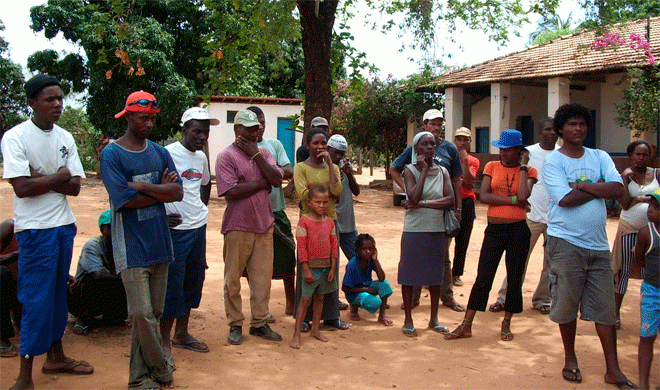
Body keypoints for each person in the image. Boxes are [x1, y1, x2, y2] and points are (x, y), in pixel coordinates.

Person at [1, 74, 92, 389]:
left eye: (60, 98)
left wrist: (46, 177)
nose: (57, 104)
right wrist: (60, 176)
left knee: (56, 296)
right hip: (35, 231)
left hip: (63, 227)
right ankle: (25, 376)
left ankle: (56, 357)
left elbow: (76, 187)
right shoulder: (15, 138)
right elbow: (23, 188)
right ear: (32, 102)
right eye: (49, 99)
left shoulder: (65, 137)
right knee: (35, 298)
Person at [543, 103, 635, 388]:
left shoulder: (600, 156)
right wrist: (598, 186)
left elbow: (619, 189)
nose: (578, 128)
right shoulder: (553, 162)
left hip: (598, 245)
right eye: (571, 124)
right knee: (567, 305)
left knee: (606, 310)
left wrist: (581, 186)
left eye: (582, 123)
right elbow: (565, 201)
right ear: (560, 128)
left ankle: (613, 369)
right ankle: (570, 358)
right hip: (565, 242)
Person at [101, 90, 183, 389]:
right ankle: (161, 369)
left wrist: (139, 186)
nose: (148, 124)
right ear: (128, 116)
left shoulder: (160, 152)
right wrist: (159, 190)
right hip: (131, 246)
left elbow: (178, 193)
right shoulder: (112, 154)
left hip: (160, 243)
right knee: (140, 313)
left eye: (151, 119)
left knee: (154, 313)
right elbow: (123, 201)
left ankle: (138, 378)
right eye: (142, 118)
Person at [445, 129, 537, 341]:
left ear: (519, 150)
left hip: (518, 230)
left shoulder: (530, 171)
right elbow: (484, 195)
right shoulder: (491, 166)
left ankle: (506, 323)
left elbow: (524, 194)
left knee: (515, 278)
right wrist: (514, 201)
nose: (503, 153)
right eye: (501, 149)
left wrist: (523, 167)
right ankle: (466, 324)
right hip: (494, 230)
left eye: (508, 149)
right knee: (483, 277)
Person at [215, 109, 284, 346]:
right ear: (237, 130)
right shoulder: (226, 157)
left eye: (256, 128)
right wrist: (261, 183)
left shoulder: (264, 152)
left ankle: (259, 323)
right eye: (249, 128)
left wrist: (256, 156)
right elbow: (231, 191)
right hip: (237, 226)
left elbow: (277, 180)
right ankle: (235, 324)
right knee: (232, 279)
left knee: (262, 279)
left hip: (264, 225)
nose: (254, 132)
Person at [390, 109, 464, 312]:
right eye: (433, 124)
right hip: (417, 221)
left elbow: (456, 180)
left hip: (441, 216)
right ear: (424, 125)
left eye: (440, 124)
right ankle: (413, 299)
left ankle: (447, 297)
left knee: (443, 258)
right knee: (414, 260)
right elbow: (395, 169)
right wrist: (408, 191)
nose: (437, 128)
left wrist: (457, 207)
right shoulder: (413, 151)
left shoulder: (450, 150)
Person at [160, 107, 216, 358]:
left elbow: (205, 184)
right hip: (176, 231)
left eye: (205, 132)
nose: (202, 136)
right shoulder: (166, 154)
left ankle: (181, 334)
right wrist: (162, 216)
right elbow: (154, 188)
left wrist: (200, 209)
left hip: (198, 228)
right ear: (184, 130)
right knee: (172, 285)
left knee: (194, 282)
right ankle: (163, 341)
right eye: (197, 131)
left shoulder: (201, 157)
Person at [489, 118, 558, 314]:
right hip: (531, 216)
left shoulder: (562, 154)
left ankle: (543, 299)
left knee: (551, 263)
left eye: (554, 130)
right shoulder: (527, 153)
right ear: (540, 131)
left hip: (555, 218)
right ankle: (505, 298)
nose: (551, 133)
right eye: (547, 129)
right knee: (518, 260)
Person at [398, 131, 455, 337]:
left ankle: (434, 319)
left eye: (432, 144)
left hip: (436, 230)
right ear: (417, 149)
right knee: (409, 275)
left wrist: (424, 204)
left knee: (435, 277)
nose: (430, 147)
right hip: (414, 230)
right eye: (424, 144)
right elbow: (412, 197)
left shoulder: (443, 172)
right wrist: (423, 171)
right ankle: (408, 320)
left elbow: (450, 200)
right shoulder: (410, 170)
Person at [293, 128, 348, 330]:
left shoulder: (331, 167)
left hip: (330, 223)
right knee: (307, 265)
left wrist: (332, 168)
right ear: (307, 145)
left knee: (329, 268)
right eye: (315, 143)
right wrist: (326, 197)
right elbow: (303, 194)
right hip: (308, 224)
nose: (320, 147)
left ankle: (331, 316)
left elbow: (338, 192)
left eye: (323, 143)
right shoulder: (300, 167)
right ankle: (304, 319)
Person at [245, 106, 296, 318]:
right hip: (251, 213)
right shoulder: (239, 149)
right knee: (252, 264)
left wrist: (271, 173)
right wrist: (273, 175)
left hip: (276, 210)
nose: (260, 127)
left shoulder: (274, 145)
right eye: (256, 123)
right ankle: (261, 307)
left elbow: (289, 171)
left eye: (263, 122)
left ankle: (291, 302)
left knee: (287, 256)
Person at [612, 140, 658, 329]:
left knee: (654, 271)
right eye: (638, 154)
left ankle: (654, 314)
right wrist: (624, 178)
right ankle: (615, 314)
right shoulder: (625, 176)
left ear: (650, 156)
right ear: (630, 155)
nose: (641, 158)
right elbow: (624, 203)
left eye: (645, 154)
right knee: (624, 271)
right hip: (630, 228)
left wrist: (637, 199)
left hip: (654, 232)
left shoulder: (657, 174)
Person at [290, 184, 339, 349]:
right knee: (305, 299)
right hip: (310, 269)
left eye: (325, 202)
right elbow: (301, 248)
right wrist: (305, 269)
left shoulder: (330, 223)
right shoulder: (304, 222)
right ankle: (296, 334)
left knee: (320, 298)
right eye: (318, 202)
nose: (322, 205)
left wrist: (333, 268)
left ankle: (316, 330)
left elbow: (334, 247)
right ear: (309, 202)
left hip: (326, 269)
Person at [67, 210, 127, 335]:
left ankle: (113, 316)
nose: (114, 232)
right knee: (92, 279)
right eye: (110, 228)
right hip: (82, 295)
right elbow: (97, 274)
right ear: (101, 230)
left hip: (110, 290)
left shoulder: (125, 245)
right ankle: (82, 318)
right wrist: (124, 280)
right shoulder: (93, 246)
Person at [632, 189, 660, 390]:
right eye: (650, 205)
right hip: (651, 292)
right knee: (646, 337)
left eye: (656, 207)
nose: (650, 210)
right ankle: (643, 384)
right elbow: (639, 261)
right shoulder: (646, 232)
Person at [342, 233, 393, 326]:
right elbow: (345, 288)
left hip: (366, 286)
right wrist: (365, 289)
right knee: (376, 303)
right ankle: (353, 308)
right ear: (357, 250)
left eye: (370, 249)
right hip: (354, 293)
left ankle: (382, 316)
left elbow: (382, 277)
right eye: (364, 249)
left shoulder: (371, 260)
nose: (368, 252)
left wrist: (375, 260)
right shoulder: (352, 265)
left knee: (385, 284)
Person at [451, 127, 480, 287]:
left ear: (469, 142)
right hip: (450, 201)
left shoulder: (473, 161)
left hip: (467, 202)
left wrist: (465, 161)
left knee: (462, 241)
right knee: (444, 240)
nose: (462, 142)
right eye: (459, 139)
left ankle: (456, 274)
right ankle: (440, 274)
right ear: (454, 140)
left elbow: (469, 181)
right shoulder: (448, 157)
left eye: (465, 139)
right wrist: (459, 181)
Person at [327, 134, 360, 261]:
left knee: (358, 259)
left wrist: (349, 175)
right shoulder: (322, 167)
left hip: (347, 224)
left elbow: (356, 192)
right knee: (331, 263)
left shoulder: (345, 166)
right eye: (336, 153)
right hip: (330, 223)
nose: (339, 157)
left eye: (342, 153)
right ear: (328, 149)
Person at [1, 218, 20, 358]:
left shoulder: (46, 233)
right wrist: (17, 255)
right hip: (7, 282)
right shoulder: (10, 227)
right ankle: (2, 338)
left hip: (18, 286)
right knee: (2, 274)